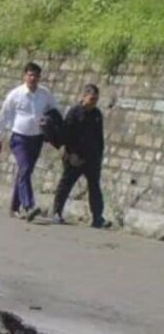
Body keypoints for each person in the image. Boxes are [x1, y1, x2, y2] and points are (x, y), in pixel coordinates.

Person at [0, 62, 59, 221]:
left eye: (36, 75)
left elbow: (55, 111)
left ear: (39, 77)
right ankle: (29, 206)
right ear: (24, 76)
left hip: (37, 138)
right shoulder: (15, 94)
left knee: (25, 172)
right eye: (30, 75)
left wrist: (51, 124)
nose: (33, 78)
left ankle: (14, 207)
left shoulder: (44, 94)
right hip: (19, 138)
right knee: (25, 168)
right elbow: (3, 116)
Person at [52, 84, 111, 228]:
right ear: (84, 97)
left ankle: (97, 218)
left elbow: (99, 137)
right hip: (75, 156)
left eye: (96, 99)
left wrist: (99, 155)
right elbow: (66, 135)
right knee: (66, 185)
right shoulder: (74, 112)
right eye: (92, 99)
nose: (94, 102)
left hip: (92, 157)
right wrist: (71, 154)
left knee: (94, 187)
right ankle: (57, 212)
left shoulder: (97, 114)